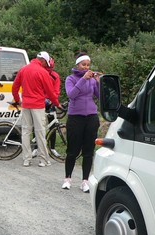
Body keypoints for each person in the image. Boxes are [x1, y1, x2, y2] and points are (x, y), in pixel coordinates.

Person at [12, 51, 61, 167]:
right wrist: (56, 103)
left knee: (26, 131)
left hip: (26, 104)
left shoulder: (23, 69)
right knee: (40, 132)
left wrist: (17, 99)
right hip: (38, 105)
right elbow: (50, 91)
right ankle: (43, 160)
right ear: (43, 61)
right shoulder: (43, 72)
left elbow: (15, 87)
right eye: (46, 62)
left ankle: (26, 159)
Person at [63, 52, 101, 192]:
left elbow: (99, 96)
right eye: (83, 65)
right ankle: (67, 178)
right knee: (72, 150)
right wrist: (83, 79)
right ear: (77, 65)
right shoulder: (70, 79)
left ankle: (85, 180)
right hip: (75, 117)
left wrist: (98, 82)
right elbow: (71, 94)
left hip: (91, 117)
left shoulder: (91, 79)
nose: (86, 67)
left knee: (88, 151)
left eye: (88, 65)